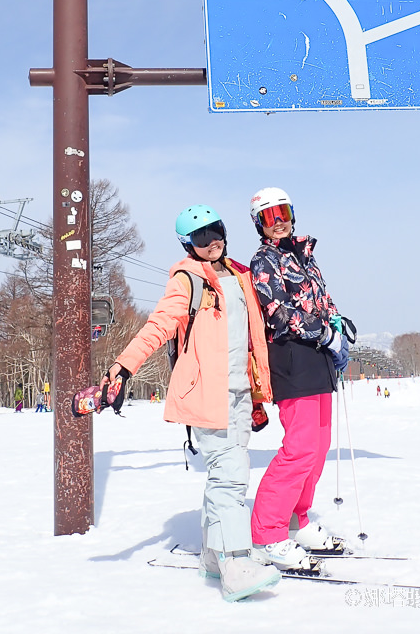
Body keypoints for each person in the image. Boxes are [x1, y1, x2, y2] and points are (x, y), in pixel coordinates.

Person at [101, 205, 280, 603]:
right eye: (201, 238)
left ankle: (215, 557)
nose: (212, 241)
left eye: (215, 231)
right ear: (189, 245)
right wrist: (124, 366)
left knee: (226, 473)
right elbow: (159, 325)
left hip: (239, 391)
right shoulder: (186, 281)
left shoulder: (238, 274)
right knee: (231, 475)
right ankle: (236, 561)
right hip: (205, 392)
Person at [248, 187, 349, 570]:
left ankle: (296, 519)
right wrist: (323, 332)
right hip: (292, 356)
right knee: (300, 447)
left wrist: (338, 323)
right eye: (271, 216)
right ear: (259, 222)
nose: (280, 221)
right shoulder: (264, 261)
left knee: (319, 446)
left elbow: (322, 299)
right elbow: (279, 311)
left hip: (318, 358)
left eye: (284, 212)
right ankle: (268, 533)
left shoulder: (303, 255)